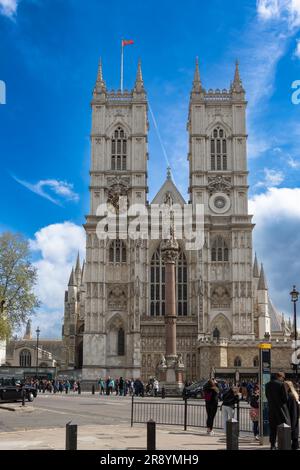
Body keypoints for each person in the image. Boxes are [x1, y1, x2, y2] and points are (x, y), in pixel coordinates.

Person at [265, 372, 290, 450]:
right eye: (283, 378)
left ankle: (272, 445)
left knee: (273, 428)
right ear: (280, 377)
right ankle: (282, 444)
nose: (283, 379)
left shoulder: (267, 385)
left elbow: (267, 396)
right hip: (281, 410)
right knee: (283, 427)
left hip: (271, 409)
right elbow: (285, 398)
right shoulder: (281, 384)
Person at [284, 380, 300, 450]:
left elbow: (293, 410)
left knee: (293, 435)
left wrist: (291, 423)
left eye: (284, 386)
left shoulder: (290, 396)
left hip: (291, 418)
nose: (283, 387)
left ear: (288, 387)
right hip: (294, 418)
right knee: (294, 436)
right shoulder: (293, 394)